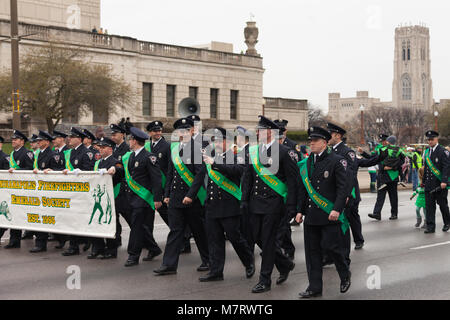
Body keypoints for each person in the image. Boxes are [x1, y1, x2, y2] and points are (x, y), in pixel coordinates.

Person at [241, 116, 296, 294]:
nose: (257, 133)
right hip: (256, 203)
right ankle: (285, 263)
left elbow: (293, 182)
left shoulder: (284, 152)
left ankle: (265, 280)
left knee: (268, 240)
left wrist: (291, 207)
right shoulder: (254, 151)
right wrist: (244, 200)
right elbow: (248, 178)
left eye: (261, 130)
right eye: (257, 130)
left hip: (274, 204)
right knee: (258, 238)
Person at [296, 127, 351, 298]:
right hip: (312, 215)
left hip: (329, 215)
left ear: (325, 143)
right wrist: (299, 211)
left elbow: (344, 188)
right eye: (310, 140)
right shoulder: (307, 162)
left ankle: (344, 274)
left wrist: (336, 209)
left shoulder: (337, 160)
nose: (311, 143)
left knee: (331, 248)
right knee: (312, 253)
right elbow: (304, 190)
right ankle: (314, 287)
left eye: (315, 140)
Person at [154, 118, 210, 275]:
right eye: (179, 131)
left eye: (185, 131)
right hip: (176, 198)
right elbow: (171, 173)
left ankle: (208, 260)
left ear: (191, 131)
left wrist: (191, 195)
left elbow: (200, 174)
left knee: (199, 231)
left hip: (192, 198)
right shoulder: (174, 148)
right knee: (175, 231)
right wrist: (167, 194)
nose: (182, 133)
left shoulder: (198, 148)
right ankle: (169, 265)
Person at [200, 127, 255, 282]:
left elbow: (238, 171)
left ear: (227, 141)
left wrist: (215, 163)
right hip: (212, 204)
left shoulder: (236, 155)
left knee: (234, 237)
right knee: (214, 239)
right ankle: (216, 271)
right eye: (214, 140)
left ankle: (248, 261)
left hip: (229, 205)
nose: (216, 143)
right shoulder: (212, 155)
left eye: (219, 140)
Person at [122, 127, 163, 267]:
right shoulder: (131, 156)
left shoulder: (149, 157)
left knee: (137, 227)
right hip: (132, 197)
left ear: (135, 141)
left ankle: (133, 255)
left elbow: (156, 179)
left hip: (143, 198)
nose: (129, 142)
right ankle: (154, 248)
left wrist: (157, 198)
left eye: (130, 139)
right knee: (140, 226)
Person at [327, 122, 364, 256]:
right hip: (337, 192)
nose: (328, 137)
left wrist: (347, 194)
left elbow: (351, 174)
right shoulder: (330, 151)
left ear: (337, 136)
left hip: (350, 192)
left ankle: (358, 239)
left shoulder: (347, 152)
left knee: (352, 217)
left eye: (330, 134)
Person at [61, 127, 95, 256]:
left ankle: (90, 242)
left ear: (79, 139)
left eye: (72, 137)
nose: (69, 139)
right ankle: (74, 246)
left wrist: (80, 173)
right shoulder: (71, 153)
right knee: (73, 220)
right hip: (73, 192)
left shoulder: (86, 153)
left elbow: (91, 172)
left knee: (84, 220)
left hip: (83, 193)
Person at [88, 137, 124, 259]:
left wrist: (114, 169)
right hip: (99, 197)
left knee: (110, 223)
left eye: (103, 147)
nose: (100, 149)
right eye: (100, 147)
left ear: (110, 149)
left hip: (111, 196)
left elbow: (119, 168)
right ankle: (98, 248)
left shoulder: (115, 161)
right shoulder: (99, 162)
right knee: (96, 222)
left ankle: (111, 249)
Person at [143, 121, 174, 261]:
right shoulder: (147, 146)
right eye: (155, 131)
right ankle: (150, 246)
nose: (158, 133)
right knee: (147, 219)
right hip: (149, 188)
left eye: (159, 130)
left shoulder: (167, 146)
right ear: (150, 132)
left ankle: (183, 238)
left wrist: (167, 190)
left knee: (168, 216)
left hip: (162, 187)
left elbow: (169, 170)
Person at [4, 130, 34, 249]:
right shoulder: (12, 154)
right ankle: (14, 240)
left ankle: (32, 237)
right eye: (12, 139)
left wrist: (17, 171)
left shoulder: (27, 153)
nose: (13, 141)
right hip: (14, 189)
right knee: (13, 215)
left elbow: (31, 169)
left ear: (22, 141)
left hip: (24, 189)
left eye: (15, 139)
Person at [365, 136, 405, 221]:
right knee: (390, 196)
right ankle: (383, 213)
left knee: (383, 196)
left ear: (387, 141)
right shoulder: (398, 150)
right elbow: (402, 162)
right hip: (389, 176)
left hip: (386, 176)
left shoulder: (383, 150)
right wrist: (393, 167)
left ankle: (380, 213)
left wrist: (390, 167)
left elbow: (372, 158)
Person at [422, 130, 450, 234]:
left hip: (439, 184)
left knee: (442, 205)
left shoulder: (443, 151)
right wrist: (423, 181)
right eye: (428, 140)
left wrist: (444, 181)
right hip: (429, 184)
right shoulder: (426, 151)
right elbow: (426, 169)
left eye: (431, 139)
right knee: (429, 206)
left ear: (436, 139)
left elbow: (446, 167)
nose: (429, 141)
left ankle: (447, 222)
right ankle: (430, 226)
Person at [109, 123, 131, 250]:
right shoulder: (112, 148)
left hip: (123, 188)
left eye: (115, 134)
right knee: (114, 216)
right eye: (112, 134)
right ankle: (116, 239)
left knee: (129, 217)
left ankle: (145, 240)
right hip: (113, 187)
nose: (113, 136)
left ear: (122, 135)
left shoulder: (126, 149)